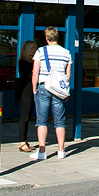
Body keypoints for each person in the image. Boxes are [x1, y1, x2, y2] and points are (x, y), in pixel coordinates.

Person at [31, 27, 71, 160]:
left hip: (44, 87)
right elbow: (68, 75)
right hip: (59, 90)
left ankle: (42, 151)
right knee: (60, 121)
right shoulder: (66, 53)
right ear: (57, 37)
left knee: (41, 121)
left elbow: (35, 73)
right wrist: (65, 92)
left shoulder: (41, 51)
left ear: (47, 38)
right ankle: (61, 151)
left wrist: (34, 89)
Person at [17, 40, 38, 152]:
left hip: (33, 91)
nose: (34, 50)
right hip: (26, 92)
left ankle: (25, 140)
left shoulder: (34, 61)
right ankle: (22, 141)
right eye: (32, 48)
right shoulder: (23, 62)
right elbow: (28, 75)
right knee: (24, 117)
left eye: (35, 48)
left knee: (29, 116)